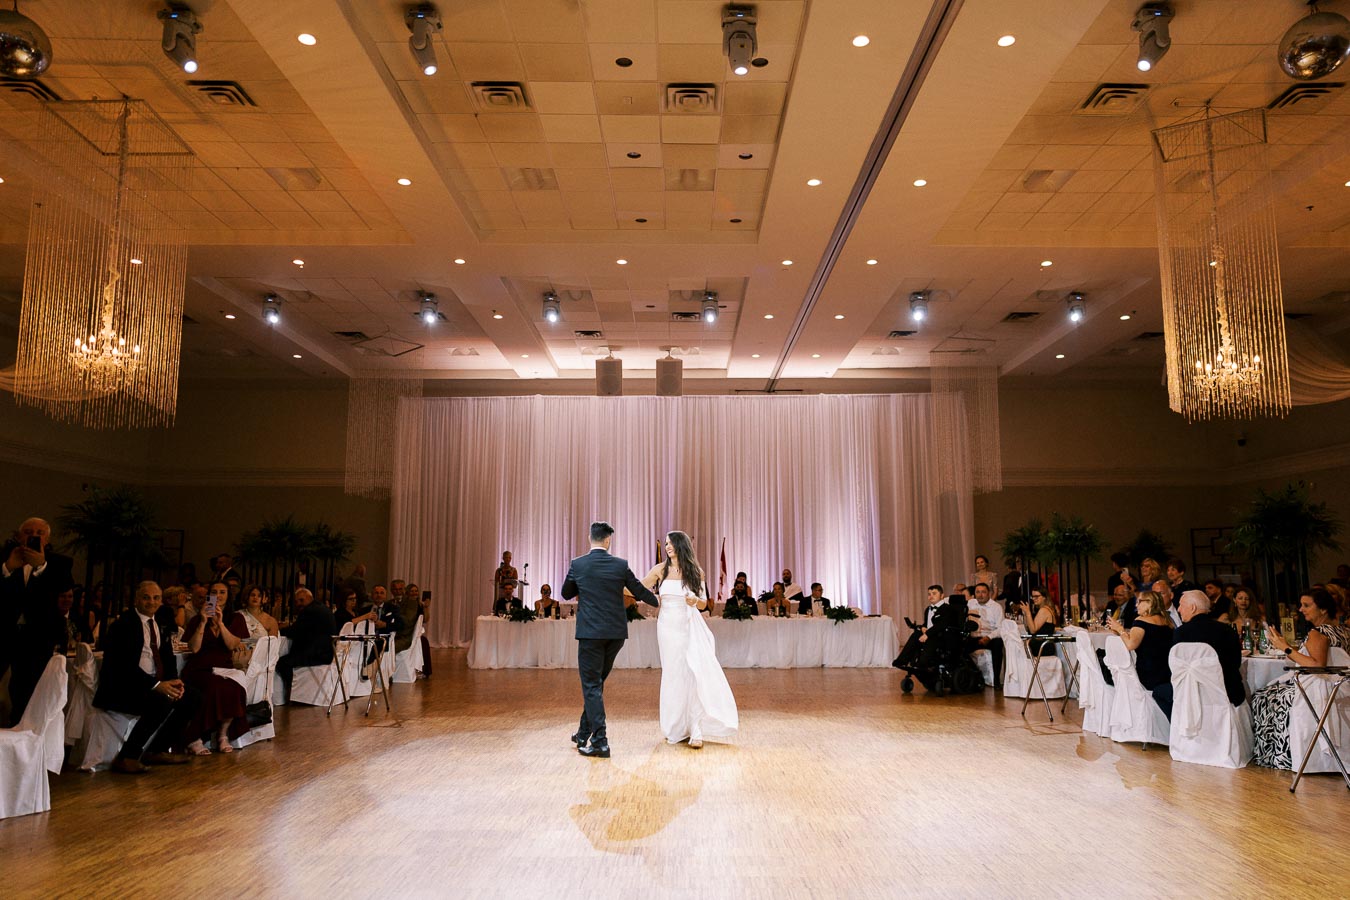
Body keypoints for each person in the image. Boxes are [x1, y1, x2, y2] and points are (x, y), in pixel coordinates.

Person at [562, 521, 659, 758]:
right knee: (596, 684)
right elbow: (639, 591)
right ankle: (583, 733)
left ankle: (601, 742)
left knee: (592, 685)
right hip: (615, 635)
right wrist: (660, 603)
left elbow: (566, 593)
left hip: (590, 634)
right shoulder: (620, 565)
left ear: (590, 538)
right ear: (608, 541)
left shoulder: (578, 564)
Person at [640, 532, 738, 748]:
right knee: (673, 673)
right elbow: (638, 587)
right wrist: (611, 582)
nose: (667, 547)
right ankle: (676, 726)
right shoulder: (659, 570)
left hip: (689, 624)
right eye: (666, 544)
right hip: (667, 626)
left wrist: (695, 600)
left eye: (671, 543)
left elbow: (704, 603)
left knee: (692, 672)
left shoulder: (696, 571)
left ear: (681, 545)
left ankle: (696, 727)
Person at [93, 581, 199, 774]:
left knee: (191, 697)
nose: (152, 602)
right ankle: (127, 756)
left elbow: (167, 656)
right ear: (136, 599)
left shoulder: (161, 620)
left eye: (156, 597)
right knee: (161, 701)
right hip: (123, 686)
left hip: (151, 682)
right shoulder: (123, 625)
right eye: (146, 597)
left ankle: (156, 750)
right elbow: (123, 667)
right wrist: (157, 685)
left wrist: (174, 681)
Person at [1251, 588, 1350, 769]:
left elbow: (1316, 665)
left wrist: (1286, 648)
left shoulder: (1319, 632)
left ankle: (1281, 755)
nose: (1301, 609)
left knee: (1261, 696)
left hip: (1319, 688)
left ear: (1323, 609)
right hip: (1340, 686)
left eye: (1306, 605)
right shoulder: (1343, 631)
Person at [2, 517, 75, 723]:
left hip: (38, 637)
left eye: (40, 533)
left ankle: (23, 735)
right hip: (6, 632)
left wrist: (41, 566)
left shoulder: (59, 562)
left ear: (47, 538)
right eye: (28, 531)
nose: (34, 535)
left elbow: (64, 586)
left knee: (27, 689)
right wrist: (7, 568)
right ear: (18, 536)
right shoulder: (5, 558)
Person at [180, 580, 250, 754]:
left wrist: (220, 624)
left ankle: (222, 734)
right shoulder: (197, 619)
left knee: (235, 687)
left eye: (222, 592)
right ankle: (195, 736)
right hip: (199, 668)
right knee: (213, 687)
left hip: (225, 667)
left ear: (228, 596)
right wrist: (204, 622)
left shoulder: (236, 618)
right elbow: (194, 648)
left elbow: (233, 644)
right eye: (214, 592)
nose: (218, 596)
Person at [1170, 589, 1245, 717]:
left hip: (1194, 696)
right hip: (1228, 694)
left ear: (1193, 608)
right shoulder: (1227, 630)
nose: (1178, 610)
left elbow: (1177, 669)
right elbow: (1236, 663)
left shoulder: (1180, 633)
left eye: (1181, 605)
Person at [1106, 590, 1174, 718]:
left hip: (1149, 675)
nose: (1136, 605)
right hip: (1167, 673)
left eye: (1139, 602)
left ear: (1149, 603)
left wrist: (1119, 629)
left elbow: (1131, 644)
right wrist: (1119, 632)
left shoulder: (1141, 621)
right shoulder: (1167, 621)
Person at [277, 587, 337, 692]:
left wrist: (279, 629)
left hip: (317, 654)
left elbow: (295, 632)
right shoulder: (321, 608)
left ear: (310, 598)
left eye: (301, 600)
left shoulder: (309, 611)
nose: (299, 604)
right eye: (296, 601)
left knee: (282, 663)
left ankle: (293, 692)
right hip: (327, 652)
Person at [966, 581, 1004, 688]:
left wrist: (989, 637)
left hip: (990, 637)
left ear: (989, 593)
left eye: (983, 592)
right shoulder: (970, 604)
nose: (980, 595)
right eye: (977, 592)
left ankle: (996, 680)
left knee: (998, 644)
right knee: (960, 647)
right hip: (974, 637)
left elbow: (1000, 628)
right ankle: (975, 676)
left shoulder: (996, 607)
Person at [396, 582, 423, 652]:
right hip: (403, 633)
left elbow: (408, 621)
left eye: (416, 591)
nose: (414, 593)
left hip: (405, 635)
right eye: (412, 591)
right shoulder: (404, 602)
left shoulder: (414, 603)